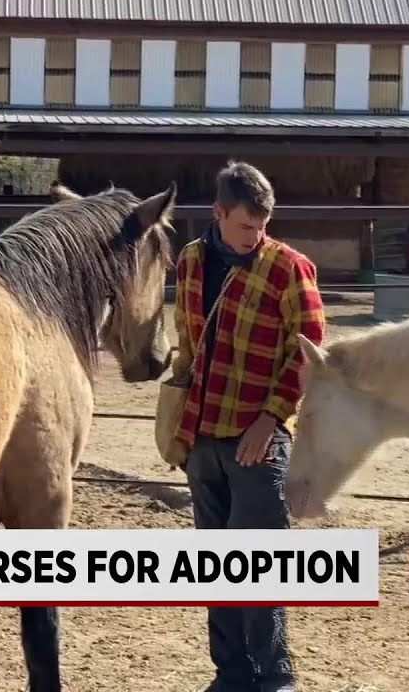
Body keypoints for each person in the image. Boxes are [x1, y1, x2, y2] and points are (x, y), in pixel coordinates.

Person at [170, 161, 326, 692]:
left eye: (262, 226)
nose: (255, 236)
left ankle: (274, 675)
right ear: (217, 214)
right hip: (202, 435)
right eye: (244, 227)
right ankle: (231, 673)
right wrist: (179, 425)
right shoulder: (190, 261)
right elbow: (188, 344)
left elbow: (308, 353)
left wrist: (271, 418)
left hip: (258, 437)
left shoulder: (289, 267)